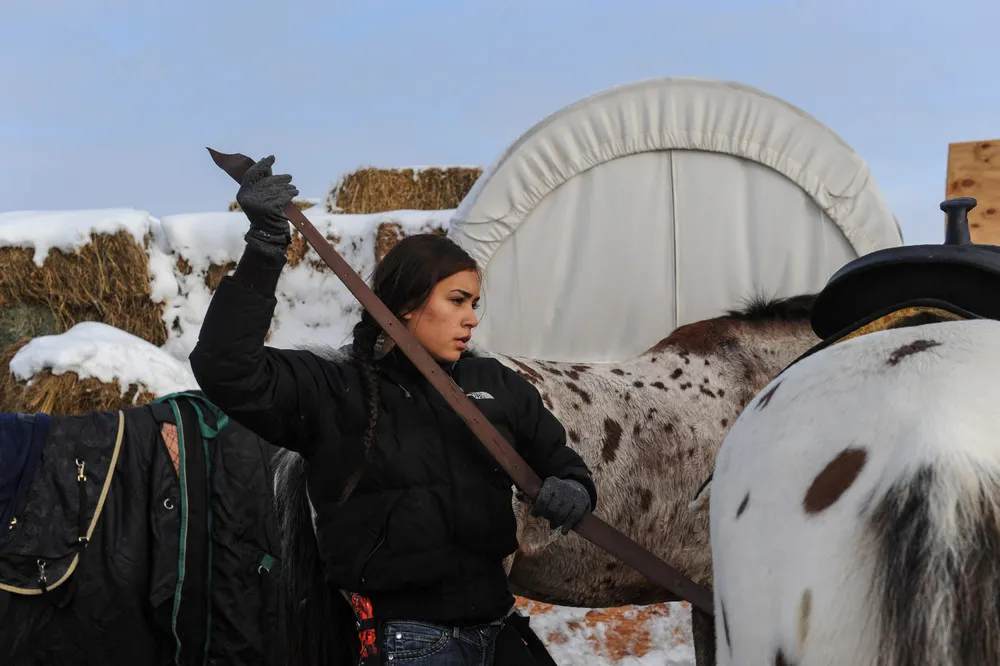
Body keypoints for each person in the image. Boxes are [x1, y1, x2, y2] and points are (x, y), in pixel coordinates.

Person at [188, 155, 598, 666]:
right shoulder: (335, 391)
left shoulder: (496, 386)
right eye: (457, 300)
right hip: (410, 642)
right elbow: (226, 367)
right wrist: (267, 246)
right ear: (405, 305)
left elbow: (563, 463)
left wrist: (574, 489)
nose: (472, 318)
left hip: (498, 629)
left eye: (475, 303)